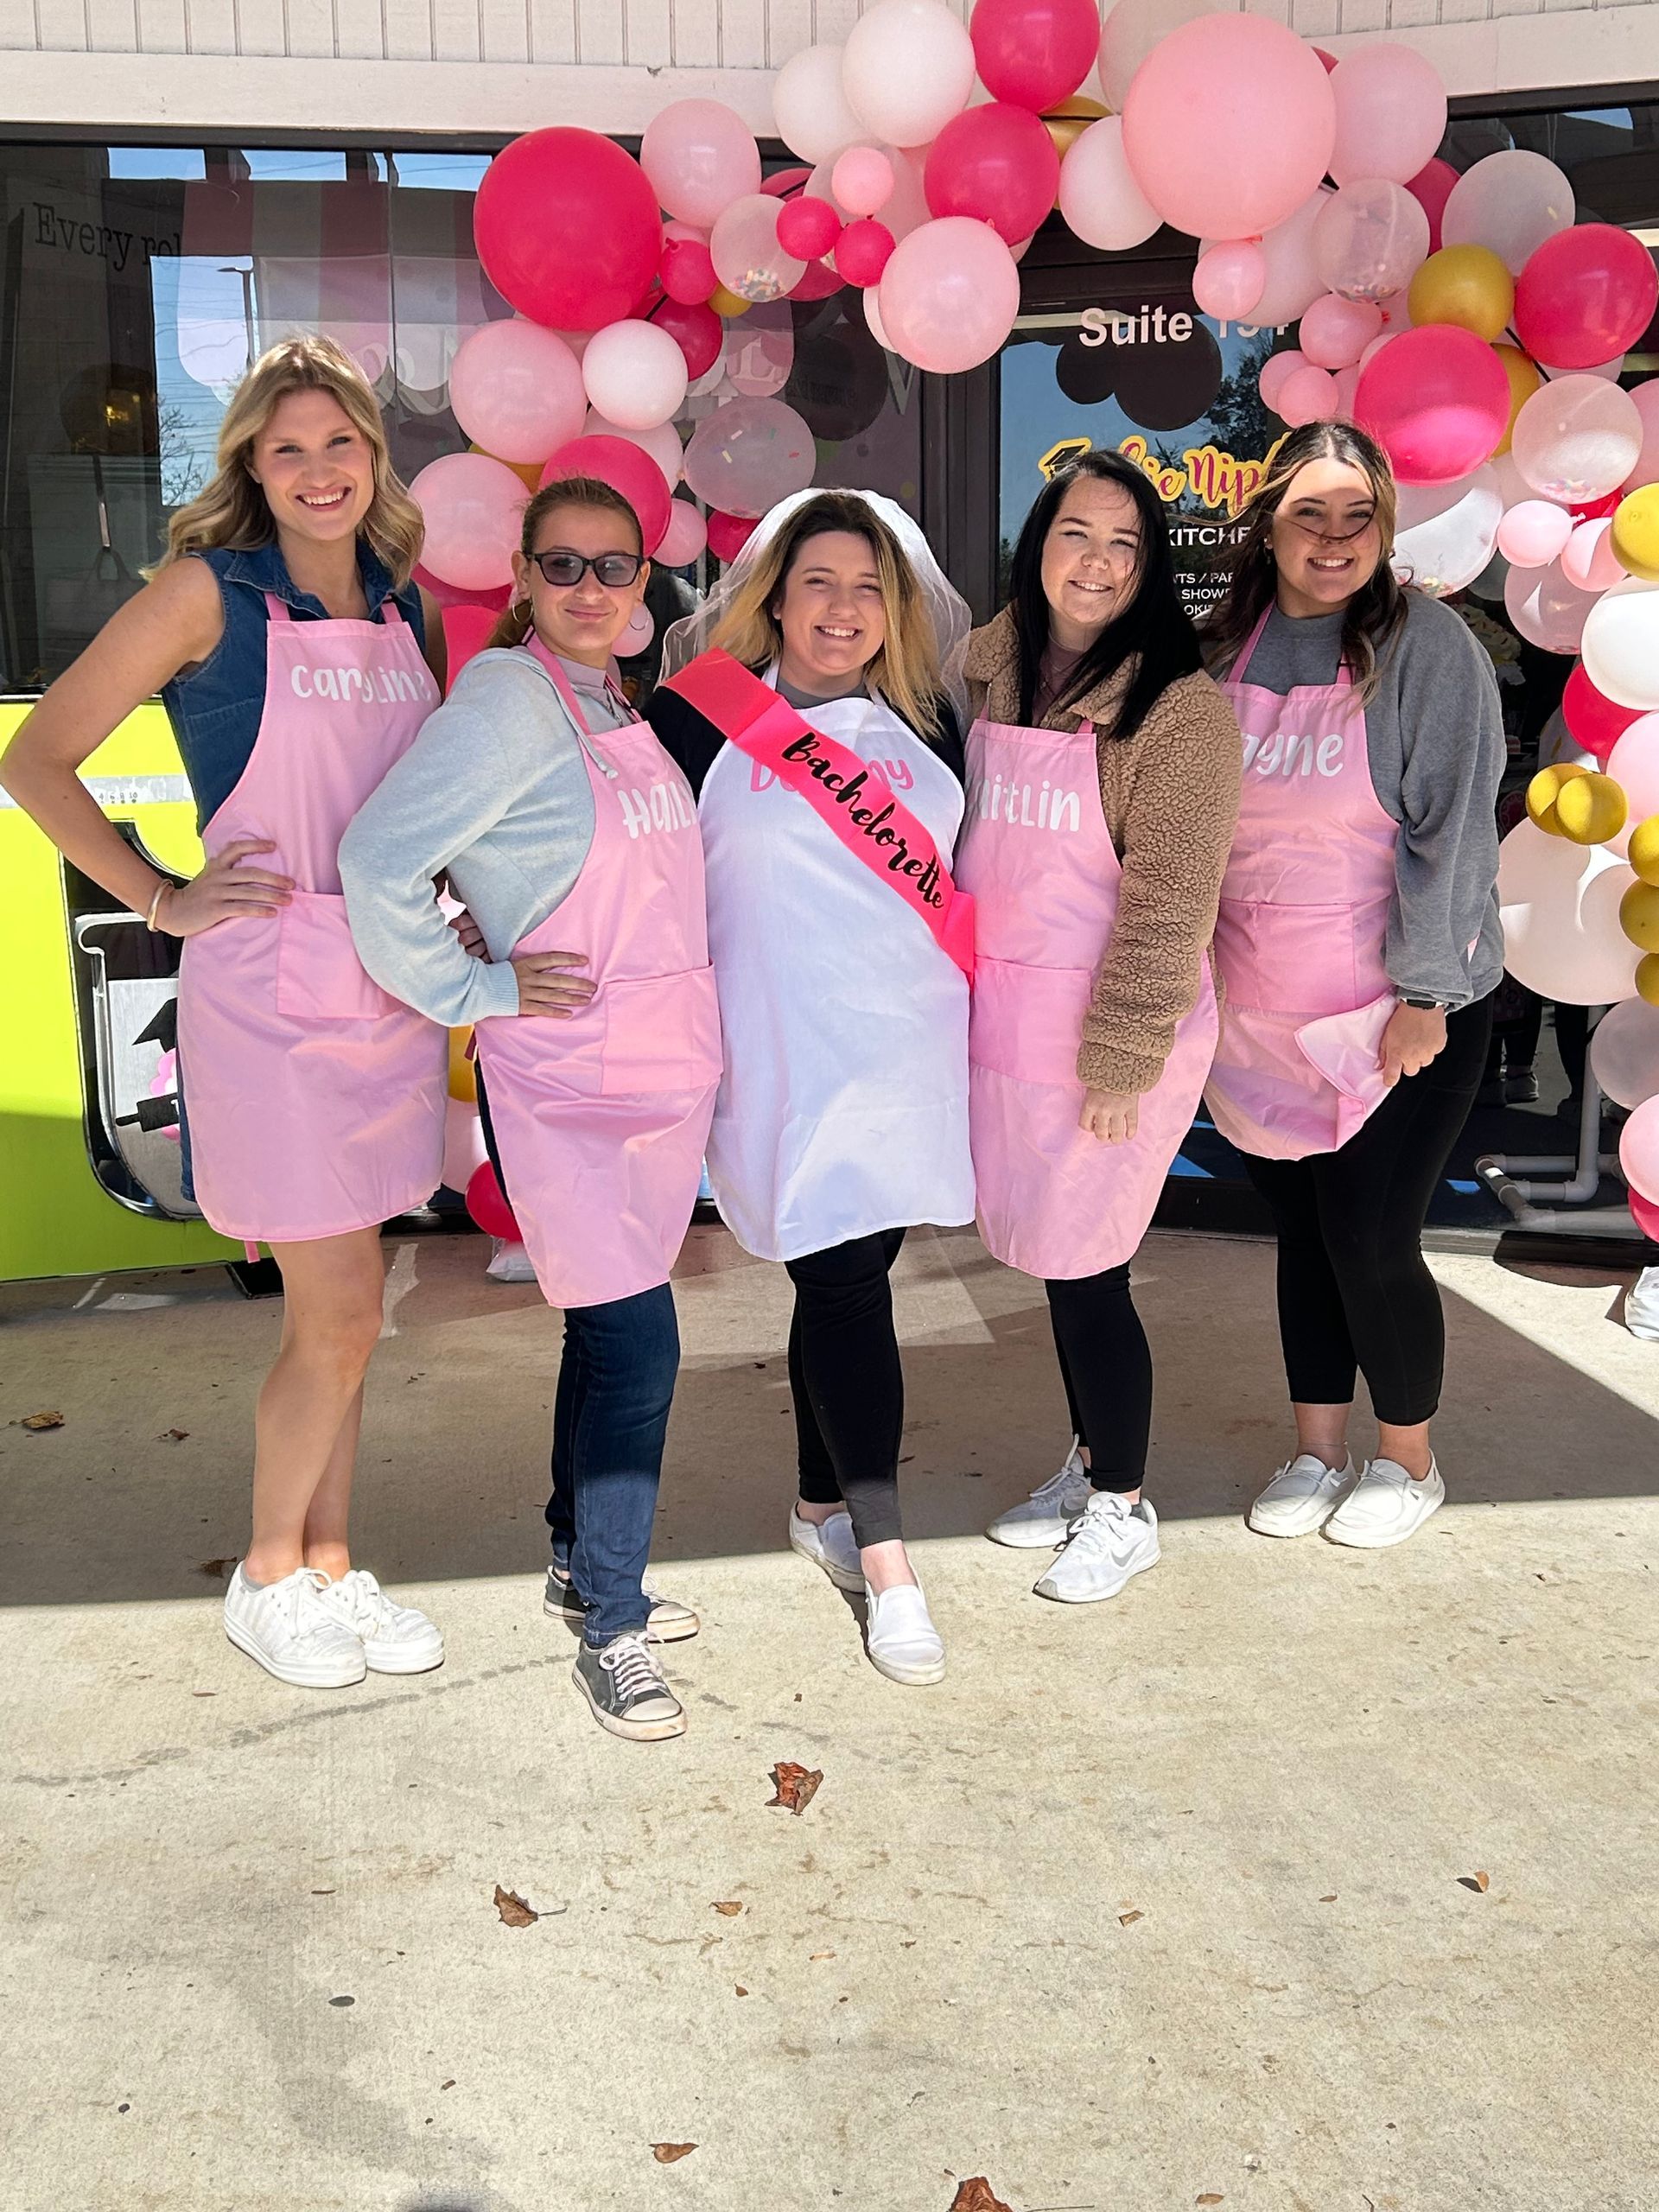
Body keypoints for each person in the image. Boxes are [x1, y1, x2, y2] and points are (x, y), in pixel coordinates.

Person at [0, 336, 450, 1688]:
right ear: (252, 466)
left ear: (376, 460)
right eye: (288, 448)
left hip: (387, 989)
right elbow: (38, 760)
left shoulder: (403, 605)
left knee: (353, 1314)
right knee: (342, 1311)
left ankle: (330, 1565)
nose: (319, 470)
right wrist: (159, 894)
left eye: (341, 443)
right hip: (272, 1003)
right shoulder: (206, 594)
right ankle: (267, 1572)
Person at [340, 480, 719, 1743]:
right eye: (563, 567)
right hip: (572, 1087)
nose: (592, 590)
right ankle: (610, 1624)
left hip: (652, 1077)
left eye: (617, 569)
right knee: (639, 1349)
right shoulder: (508, 696)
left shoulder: (608, 694)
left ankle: (574, 1558)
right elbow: (378, 858)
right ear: (520, 572)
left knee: (604, 1338)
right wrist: (471, 983)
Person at [649, 490, 974, 1686]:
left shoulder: (937, 720)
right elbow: (623, 859)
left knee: (848, 1282)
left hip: (906, 1054)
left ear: (896, 609)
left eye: (866, 587)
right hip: (785, 1058)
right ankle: (888, 1563)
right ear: (773, 595)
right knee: (844, 1289)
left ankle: (817, 1502)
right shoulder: (696, 718)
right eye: (818, 582)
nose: (842, 609)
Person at [1202, 419, 1504, 1548]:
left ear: (1385, 525)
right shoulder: (1220, 649)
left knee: (1373, 1234)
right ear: (1268, 524)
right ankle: (1316, 1450)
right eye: (1307, 514)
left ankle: (1406, 1461)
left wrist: (1424, 991)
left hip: (1401, 1015)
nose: (1332, 538)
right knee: (1307, 1236)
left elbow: (1453, 834)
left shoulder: (1430, 648)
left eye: (1356, 515)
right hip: (1262, 1016)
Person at [961, 450, 1241, 1600]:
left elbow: (1172, 898)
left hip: (1113, 1033)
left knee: (1092, 1272)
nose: (1100, 564)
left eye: (1127, 545)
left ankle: (1124, 1503)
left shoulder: (1177, 713)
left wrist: (1125, 1052)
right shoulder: (990, 672)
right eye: (1080, 534)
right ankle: (1084, 1467)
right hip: (1012, 1024)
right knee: (1051, 1261)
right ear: (1040, 544)